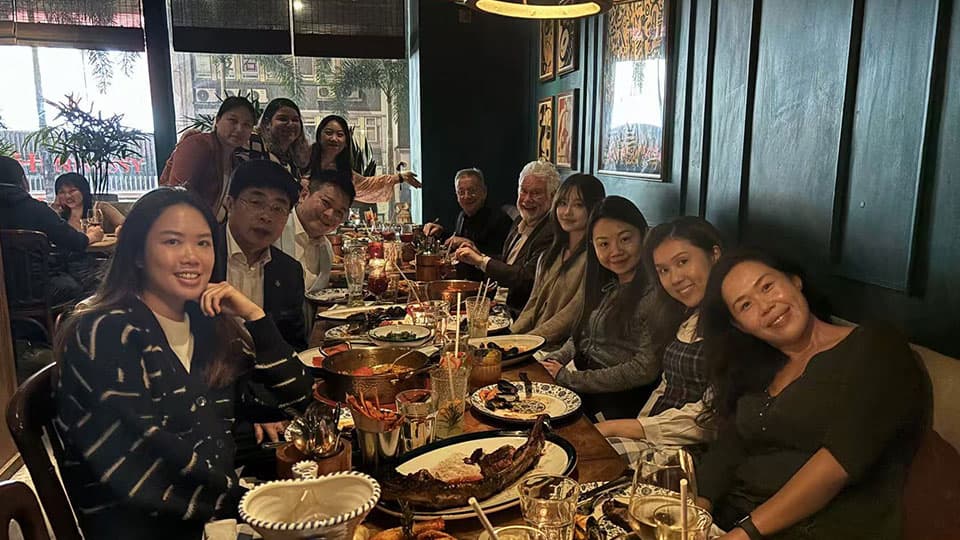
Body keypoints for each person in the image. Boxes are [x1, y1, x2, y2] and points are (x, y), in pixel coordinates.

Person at [54, 187, 313, 539]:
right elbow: (143, 465)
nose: (192, 257)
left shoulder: (206, 326)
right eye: (172, 242)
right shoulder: (106, 331)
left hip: (210, 523)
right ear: (138, 254)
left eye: (203, 243)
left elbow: (298, 402)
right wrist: (258, 505)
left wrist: (255, 316)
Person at [695, 249, 925, 539]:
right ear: (740, 326)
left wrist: (744, 533)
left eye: (767, 287)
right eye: (745, 305)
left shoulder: (876, 346)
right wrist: (694, 510)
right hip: (730, 518)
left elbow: (838, 462)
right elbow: (729, 447)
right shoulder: (758, 368)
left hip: (817, 527)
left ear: (795, 281)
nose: (765, 306)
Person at [598, 216, 723, 459]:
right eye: (664, 270)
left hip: (689, 452)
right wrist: (636, 426)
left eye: (683, 262)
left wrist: (621, 427)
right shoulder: (685, 316)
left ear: (714, 255)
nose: (675, 278)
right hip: (652, 436)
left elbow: (709, 419)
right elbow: (665, 387)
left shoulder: (734, 323)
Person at [540, 196, 660, 421]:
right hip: (588, 388)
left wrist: (569, 378)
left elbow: (644, 369)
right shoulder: (607, 284)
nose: (615, 251)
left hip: (619, 402)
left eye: (625, 239)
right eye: (604, 244)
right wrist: (553, 361)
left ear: (644, 235)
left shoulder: (652, 295)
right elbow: (580, 337)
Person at [212, 159, 307, 350]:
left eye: (278, 208)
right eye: (256, 202)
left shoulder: (289, 271)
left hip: (265, 376)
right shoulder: (201, 257)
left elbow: (294, 346)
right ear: (230, 204)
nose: (266, 216)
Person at [510, 173, 605, 349]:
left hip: (558, 351)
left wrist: (526, 342)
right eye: (562, 203)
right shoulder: (549, 254)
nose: (567, 212)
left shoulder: (594, 259)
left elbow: (570, 316)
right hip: (531, 343)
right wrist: (510, 337)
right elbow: (532, 304)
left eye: (578, 205)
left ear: (594, 208)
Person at [456, 160, 558, 315]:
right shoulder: (519, 221)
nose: (527, 199)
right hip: (495, 305)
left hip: (517, 314)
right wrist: (479, 255)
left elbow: (526, 279)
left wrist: (481, 261)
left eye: (536, 193)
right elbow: (507, 261)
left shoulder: (551, 232)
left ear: (552, 196)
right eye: (523, 191)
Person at [0, 156, 103, 304]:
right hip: (38, 289)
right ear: (24, 182)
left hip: (5, 292)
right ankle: (69, 325)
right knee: (85, 283)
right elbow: (74, 242)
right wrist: (91, 236)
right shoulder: (36, 209)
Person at [159, 96, 257, 220]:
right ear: (217, 120)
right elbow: (177, 196)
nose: (239, 129)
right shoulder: (197, 145)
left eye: (247, 125)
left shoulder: (234, 161)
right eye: (233, 120)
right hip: (179, 225)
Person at [422, 168, 514, 283]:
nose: (466, 196)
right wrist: (441, 233)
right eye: (461, 192)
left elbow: (504, 261)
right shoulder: (462, 215)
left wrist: (470, 246)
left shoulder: (499, 219)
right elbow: (457, 241)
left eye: (472, 191)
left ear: (484, 192)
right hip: (464, 280)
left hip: (486, 287)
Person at [308, 114, 421, 203]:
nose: (334, 138)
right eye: (328, 133)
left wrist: (400, 177)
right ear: (319, 136)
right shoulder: (304, 160)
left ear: (346, 142)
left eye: (340, 135)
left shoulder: (343, 170)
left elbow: (367, 185)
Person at [276, 168, 356, 293]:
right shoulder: (274, 232)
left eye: (339, 212)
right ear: (304, 195)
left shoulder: (327, 249)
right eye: (326, 203)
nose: (330, 214)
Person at [51, 172, 125, 233]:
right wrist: (55, 209)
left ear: (83, 191)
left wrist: (119, 230)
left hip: (101, 250)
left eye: (72, 191)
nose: (67, 196)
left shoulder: (100, 207)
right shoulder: (58, 214)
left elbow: (128, 227)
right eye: (62, 192)